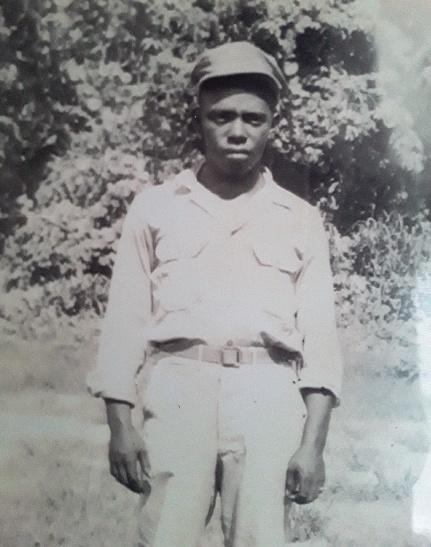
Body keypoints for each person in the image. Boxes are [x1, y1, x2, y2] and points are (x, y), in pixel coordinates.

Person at [87, 41, 343, 547]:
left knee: (259, 539)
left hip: (267, 395)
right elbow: (124, 323)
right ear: (198, 120)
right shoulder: (155, 208)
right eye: (221, 116)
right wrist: (121, 425)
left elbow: (320, 337)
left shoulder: (299, 218)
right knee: (165, 537)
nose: (237, 131)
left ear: (272, 124)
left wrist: (313, 445)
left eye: (253, 118)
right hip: (179, 390)